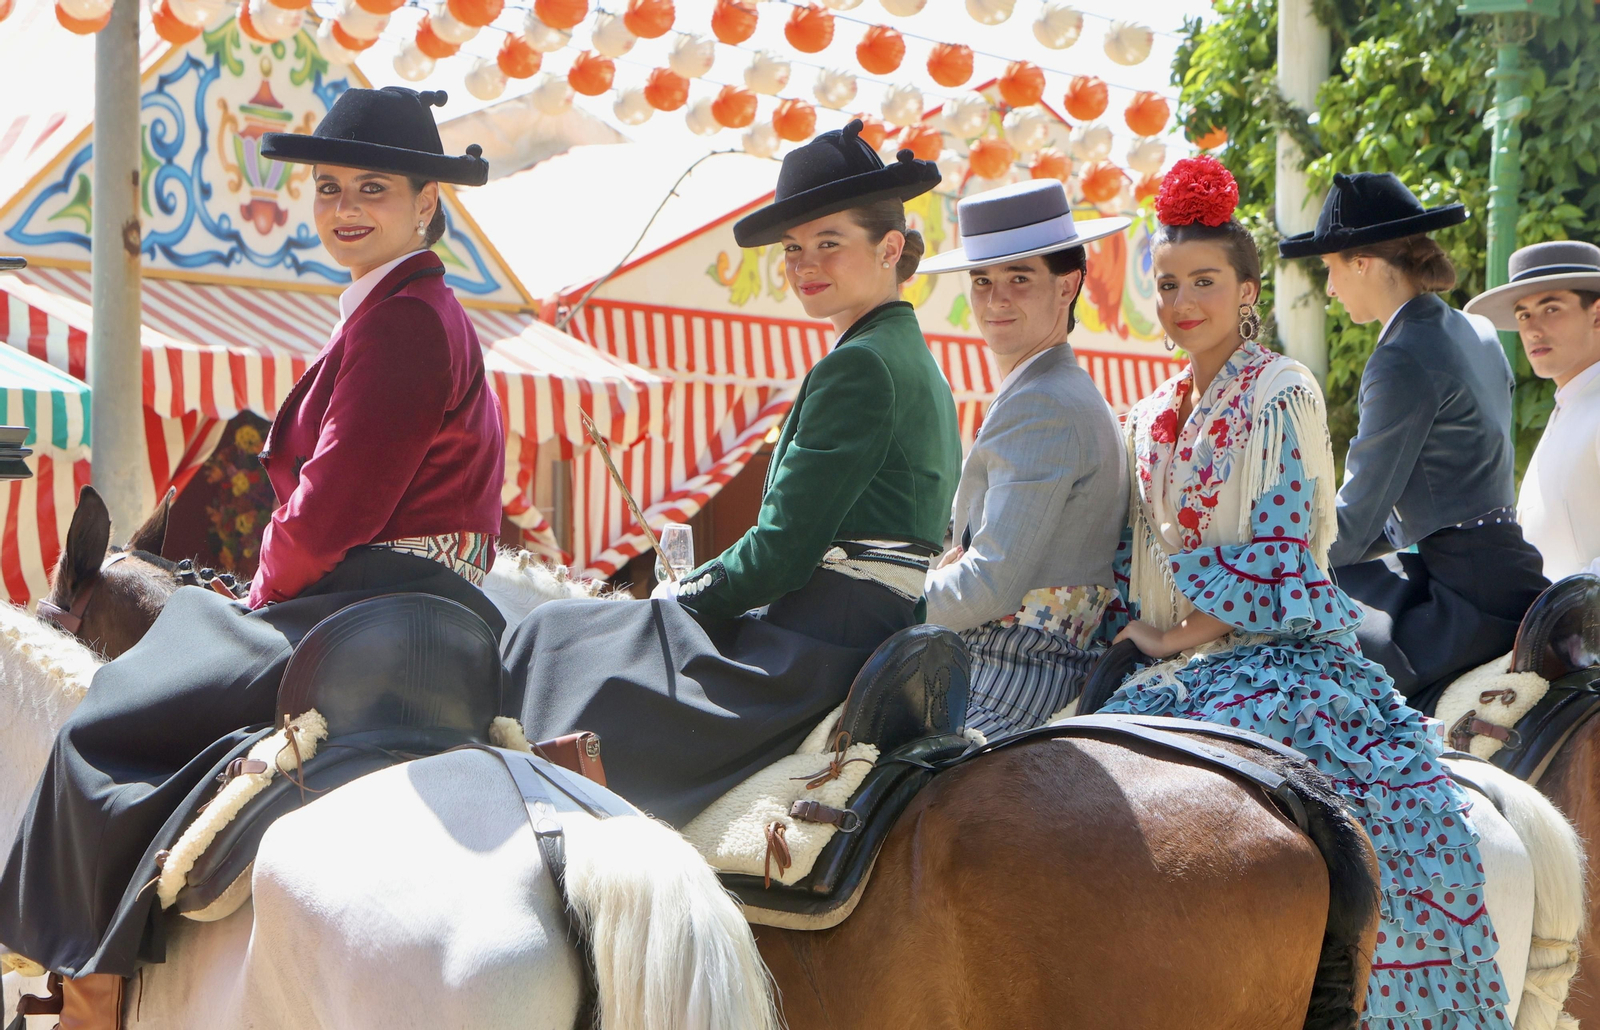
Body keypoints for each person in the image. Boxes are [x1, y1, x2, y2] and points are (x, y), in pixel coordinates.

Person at [0, 86, 504, 1026]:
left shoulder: (400, 319)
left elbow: (324, 518)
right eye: (328, 188)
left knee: (100, 723)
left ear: (427, 203)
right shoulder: (409, 307)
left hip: (364, 606)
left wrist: (262, 594)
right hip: (417, 605)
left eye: (372, 190)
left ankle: (92, 994)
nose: (345, 210)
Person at [1098, 156, 1513, 1030]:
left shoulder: (1282, 390)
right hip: (1171, 648)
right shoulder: (1149, 410)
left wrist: (1177, 639)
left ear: (1247, 289)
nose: (1181, 303)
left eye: (1203, 282)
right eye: (1167, 284)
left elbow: (1296, 545)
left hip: (1264, 645)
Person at [504, 120, 961, 827]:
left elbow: (781, 551)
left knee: (557, 639)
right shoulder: (909, 356)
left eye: (828, 243)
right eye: (793, 249)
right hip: (868, 620)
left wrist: (686, 593)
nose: (806, 263)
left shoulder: (859, 365)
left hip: (821, 636)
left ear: (890, 246)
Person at [1279, 171, 1547, 705]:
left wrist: (1268, 564)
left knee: (1303, 673)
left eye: (1331, 268)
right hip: (1509, 569)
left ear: (1363, 262)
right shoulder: (1478, 331)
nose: (1329, 288)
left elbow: (1354, 523)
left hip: (1460, 592)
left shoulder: (1400, 357)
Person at [914, 179, 1129, 739]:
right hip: (1030, 664)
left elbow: (987, 587)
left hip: (1011, 673)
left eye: (1019, 278)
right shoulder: (1052, 386)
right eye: (982, 280)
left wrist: (881, 596)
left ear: (1069, 284)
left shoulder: (1042, 401)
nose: (996, 298)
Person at [1466, 240, 1600, 580]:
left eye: (1551, 308)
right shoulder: (1570, 404)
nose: (1532, 328)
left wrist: (1571, 611)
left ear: (1597, 314)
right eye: (1523, 314)